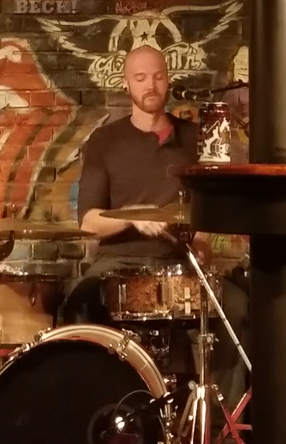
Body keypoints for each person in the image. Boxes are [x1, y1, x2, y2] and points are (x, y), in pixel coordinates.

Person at [64, 45, 248, 397]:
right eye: (140, 78)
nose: (150, 85)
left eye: (158, 77)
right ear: (126, 84)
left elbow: (210, 204)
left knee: (237, 310)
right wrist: (133, 217)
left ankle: (219, 418)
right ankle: (94, 410)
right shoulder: (105, 141)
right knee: (79, 303)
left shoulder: (194, 138)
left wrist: (202, 241)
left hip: (179, 261)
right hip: (118, 262)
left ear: (168, 80)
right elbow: (88, 221)